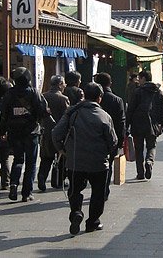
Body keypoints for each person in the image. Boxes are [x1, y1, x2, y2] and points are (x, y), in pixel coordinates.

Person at [52, 82, 118, 235]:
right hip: (99, 163)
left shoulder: (72, 112)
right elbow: (113, 141)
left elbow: (56, 133)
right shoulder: (104, 116)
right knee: (97, 194)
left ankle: (76, 212)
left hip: (75, 161)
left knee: (74, 190)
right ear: (99, 98)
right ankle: (92, 222)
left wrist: (63, 149)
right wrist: (108, 153)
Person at [0, 66, 49, 203]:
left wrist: (2, 131)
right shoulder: (34, 93)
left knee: (18, 159)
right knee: (31, 163)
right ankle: (26, 193)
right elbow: (43, 110)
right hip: (31, 132)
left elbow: (3, 115)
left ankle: (14, 184)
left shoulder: (9, 94)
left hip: (14, 132)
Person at [125, 70, 163, 180]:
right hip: (153, 125)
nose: (139, 80)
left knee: (138, 149)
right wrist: (161, 125)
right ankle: (149, 161)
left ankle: (140, 173)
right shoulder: (159, 92)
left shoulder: (138, 92)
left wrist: (127, 124)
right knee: (151, 146)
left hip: (137, 124)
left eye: (140, 78)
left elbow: (131, 109)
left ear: (144, 78)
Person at [94, 72, 125, 200]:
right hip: (112, 138)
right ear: (110, 83)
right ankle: (104, 190)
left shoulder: (92, 98)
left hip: (94, 137)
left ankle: (97, 189)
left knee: (94, 165)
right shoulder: (117, 100)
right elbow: (121, 122)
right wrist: (121, 140)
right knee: (108, 164)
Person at [38, 74, 70, 191]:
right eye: (64, 83)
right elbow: (67, 116)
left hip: (46, 131)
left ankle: (41, 179)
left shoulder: (43, 96)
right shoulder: (63, 99)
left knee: (46, 158)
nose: (65, 85)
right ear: (60, 84)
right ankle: (58, 181)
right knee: (61, 157)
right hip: (60, 133)